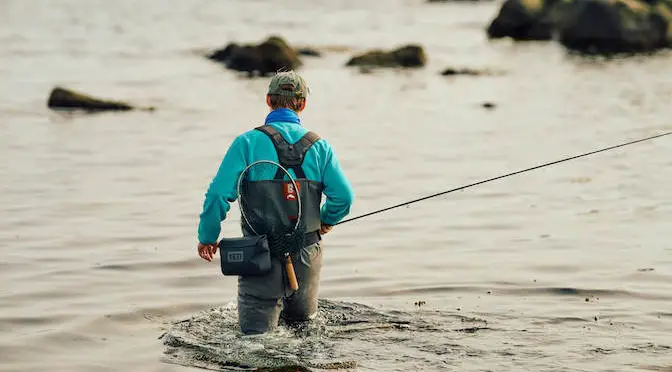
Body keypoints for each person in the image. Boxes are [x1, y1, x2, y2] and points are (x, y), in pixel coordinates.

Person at [195, 71, 354, 334]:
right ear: (302, 104)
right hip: (306, 255)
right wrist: (325, 220)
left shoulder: (246, 143)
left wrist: (208, 236)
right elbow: (344, 198)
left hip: (259, 257)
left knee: (255, 341)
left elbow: (217, 196)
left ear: (268, 100)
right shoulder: (321, 147)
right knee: (304, 335)